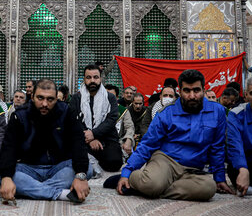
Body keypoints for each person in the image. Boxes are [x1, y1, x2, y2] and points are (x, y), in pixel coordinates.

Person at [112, 69, 233, 201]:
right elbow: (148, 144)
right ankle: (137, 180)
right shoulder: (166, 113)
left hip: (193, 168)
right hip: (166, 160)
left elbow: (217, 147)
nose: (192, 96)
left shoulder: (218, 111)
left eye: (196, 90)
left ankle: (153, 187)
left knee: (208, 188)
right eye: (187, 91)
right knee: (152, 184)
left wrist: (220, 178)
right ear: (179, 92)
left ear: (204, 90)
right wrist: (126, 172)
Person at [0, 79, 91, 202]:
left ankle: (30, 189)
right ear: (32, 97)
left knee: (87, 169)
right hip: (28, 168)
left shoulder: (67, 112)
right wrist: (7, 178)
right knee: (0, 174)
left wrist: (80, 176)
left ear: (57, 98)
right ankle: (60, 193)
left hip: (59, 167)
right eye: (40, 98)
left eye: (50, 99)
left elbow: (79, 144)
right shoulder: (19, 115)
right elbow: (9, 148)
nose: (45, 104)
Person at [69, 65, 122, 172]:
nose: (92, 80)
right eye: (88, 77)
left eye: (95, 77)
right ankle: (90, 155)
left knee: (114, 163)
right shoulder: (76, 98)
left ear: (100, 79)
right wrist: (89, 138)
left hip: (106, 137)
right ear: (84, 79)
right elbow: (74, 120)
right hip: (84, 138)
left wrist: (94, 134)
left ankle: (92, 157)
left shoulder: (110, 97)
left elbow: (111, 119)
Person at [105, 84, 134, 157]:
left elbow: (130, 127)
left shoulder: (123, 111)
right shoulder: (96, 109)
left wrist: (128, 140)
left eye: (111, 96)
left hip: (118, 142)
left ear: (117, 98)